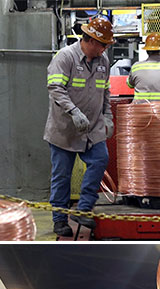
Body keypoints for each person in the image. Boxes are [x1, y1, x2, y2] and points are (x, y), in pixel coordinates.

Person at [44, 16, 115, 237]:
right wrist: (73, 111)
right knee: (62, 176)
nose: (104, 49)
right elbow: (55, 87)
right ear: (91, 40)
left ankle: (84, 208)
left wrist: (108, 116)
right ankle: (59, 220)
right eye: (103, 44)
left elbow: (104, 92)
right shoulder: (65, 57)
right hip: (64, 129)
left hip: (92, 129)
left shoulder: (103, 62)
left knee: (100, 159)